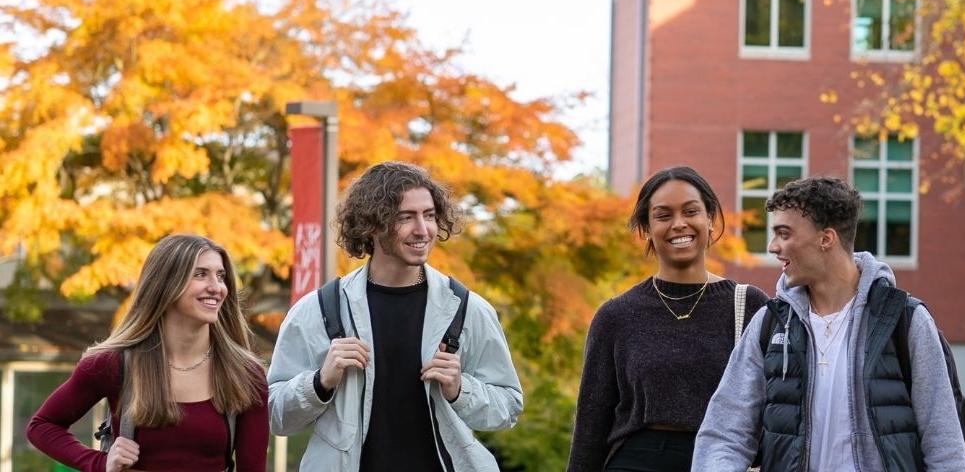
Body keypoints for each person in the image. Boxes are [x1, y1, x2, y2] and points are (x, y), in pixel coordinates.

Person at [694, 176, 965, 471]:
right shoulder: (770, 323)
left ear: (826, 239)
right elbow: (724, 433)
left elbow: (945, 448)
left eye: (784, 234)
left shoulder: (904, 321)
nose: (773, 246)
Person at [267, 161, 523, 471]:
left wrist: (460, 389)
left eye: (429, 215)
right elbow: (275, 416)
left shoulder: (468, 309)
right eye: (406, 217)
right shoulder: (317, 311)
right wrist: (320, 382)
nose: (423, 229)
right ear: (371, 224)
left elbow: (508, 407)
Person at [568, 165, 769, 471]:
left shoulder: (749, 305)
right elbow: (590, 427)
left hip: (722, 461)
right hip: (636, 460)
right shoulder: (616, 316)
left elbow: (775, 409)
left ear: (710, 219)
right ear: (647, 228)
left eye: (691, 211)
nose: (679, 224)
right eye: (663, 215)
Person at [27, 234, 269, 472]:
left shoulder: (246, 374)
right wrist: (100, 462)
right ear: (165, 284)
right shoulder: (114, 364)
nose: (217, 288)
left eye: (221, 276)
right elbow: (42, 426)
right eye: (200, 274)